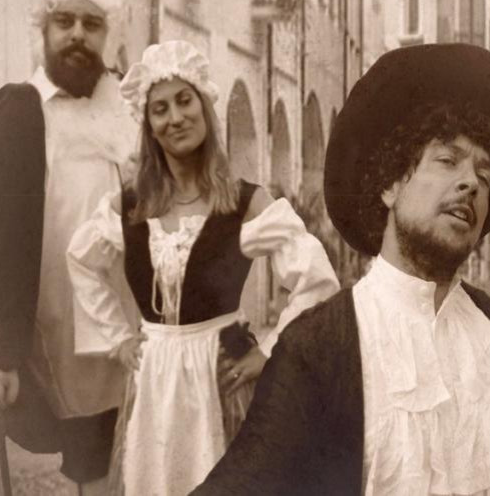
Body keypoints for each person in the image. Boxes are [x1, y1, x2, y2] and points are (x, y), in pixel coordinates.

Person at [194, 43, 490, 495]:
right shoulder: (320, 343)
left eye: (484, 177)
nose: (471, 183)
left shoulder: (489, 326)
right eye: (447, 161)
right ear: (390, 186)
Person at [65, 40, 340, 495]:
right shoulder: (129, 206)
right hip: (154, 382)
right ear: (149, 126)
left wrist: (268, 352)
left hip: (220, 379)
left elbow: (316, 281)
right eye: (160, 109)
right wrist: (118, 339)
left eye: (184, 100)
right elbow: (82, 260)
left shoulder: (245, 202)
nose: (175, 117)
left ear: (205, 107)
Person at [0, 0, 136, 491]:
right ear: (42, 28)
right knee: (95, 470)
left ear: (109, 34)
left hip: (137, 327)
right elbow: (1, 238)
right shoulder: (23, 109)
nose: (78, 35)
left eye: (92, 24)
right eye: (65, 21)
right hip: (62, 336)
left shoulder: (130, 108)